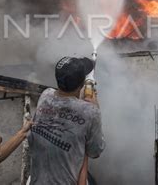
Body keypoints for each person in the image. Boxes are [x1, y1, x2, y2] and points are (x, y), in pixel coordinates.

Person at [28, 56, 105, 185]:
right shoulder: (90, 112)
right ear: (81, 84)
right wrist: (95, 107)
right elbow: (95, 152)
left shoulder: (46, 95)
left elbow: (65, 103)